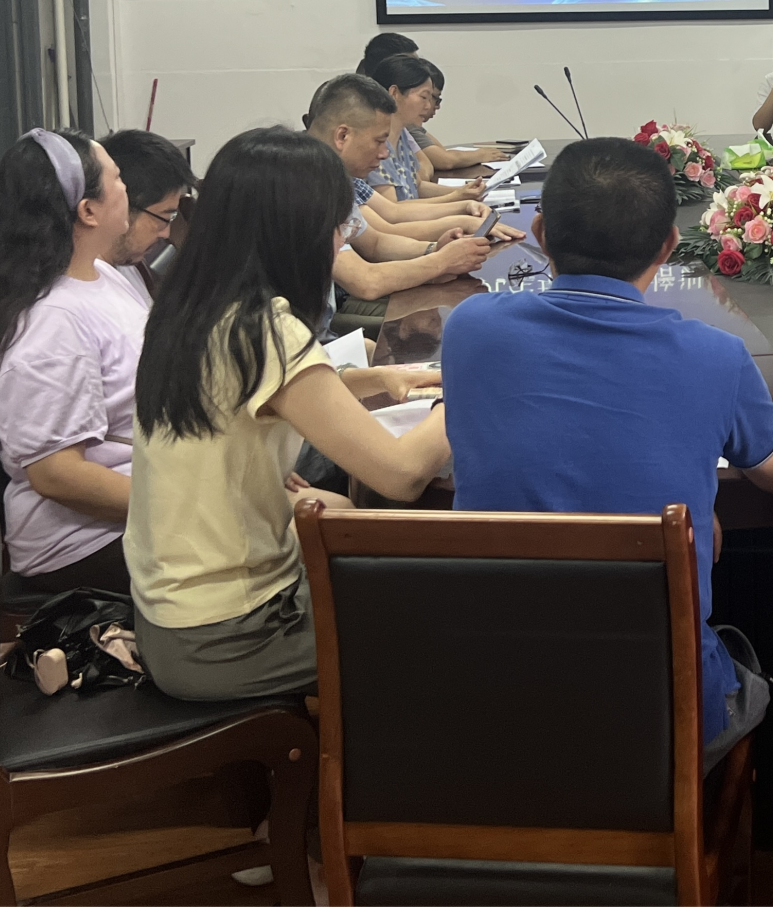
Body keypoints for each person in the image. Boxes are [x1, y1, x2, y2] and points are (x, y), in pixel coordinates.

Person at [440, 137, 773, 768]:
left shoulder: (470, 329)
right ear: (669, 246)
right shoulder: (716, 357)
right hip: (660, 718)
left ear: (540, 233)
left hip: (494, 700)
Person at [127, 127, 451, 701]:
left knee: (359, 525)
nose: (340, 240)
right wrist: (465, 394)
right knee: (450, 621)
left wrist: (375, 379)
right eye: (338, 226)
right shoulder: (266, 330)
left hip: (173, 616)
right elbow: (402, 475)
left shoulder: (190, 305)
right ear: (299, 232)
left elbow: (257, 400)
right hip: (231, 635)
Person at [0, 129, 143, 595]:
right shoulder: (54, 322)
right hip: (87, 544)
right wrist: (188, 501)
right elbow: (57, 474)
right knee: (285, 537)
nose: (127, 188)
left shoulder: (104, 275)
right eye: (117, 178)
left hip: (135, 507)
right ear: (88, 210)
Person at [304, 75, 500, 329]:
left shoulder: (333, 177)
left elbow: (375, 243)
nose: (385, 153)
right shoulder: (303, 184)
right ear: (342, 136)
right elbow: (366, 282)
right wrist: (442, 261)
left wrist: (435, 250)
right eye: (379, 141)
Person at [362, 53, 477, 202]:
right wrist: (457, 198)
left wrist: (463, 191)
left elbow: (417, 186)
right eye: (423, 97)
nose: (428, 106)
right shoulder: (376, 143)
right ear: (394, 93)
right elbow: (394, 209)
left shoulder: (402, 135)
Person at [100, 129, 196, 302]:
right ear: (121, 205)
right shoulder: (74, 300)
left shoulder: (126, 265)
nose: (165, 234)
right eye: (163, 218)